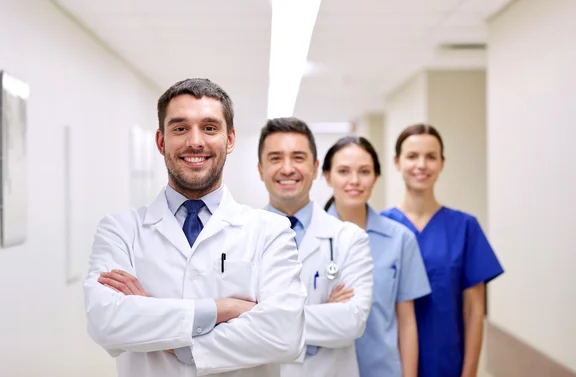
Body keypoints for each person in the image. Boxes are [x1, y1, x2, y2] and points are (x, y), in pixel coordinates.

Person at [83, 78, 307, 377]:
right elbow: (106, 322)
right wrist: (224, 308)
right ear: (161, 142)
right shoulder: (120, 230)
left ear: (230, 140)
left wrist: (172, 337)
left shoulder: (271, 231)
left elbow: (285, 334)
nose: (195, 141)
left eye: (210, 127)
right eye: (180, 128)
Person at [380, 123, 504, 377]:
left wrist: (469, 373)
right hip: (387, 363)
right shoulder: (379, 228)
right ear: (396, 162)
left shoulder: (465, 227)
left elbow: (474, 311)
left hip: (446, 362)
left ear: (442, 164)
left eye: (431, 157)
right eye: (412, 156)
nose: (421, 165)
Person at [256, 117, 374, 377]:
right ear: (260, 169)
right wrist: (324, 314)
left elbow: (352, 322)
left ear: (316, 167)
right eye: (275, 158)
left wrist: (255, 315)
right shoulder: (236, 238)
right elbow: (224, 326)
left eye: (298, 158)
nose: (287, 168)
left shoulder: (349, 238)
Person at [321, 136, 432, 377]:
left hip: (382, 369)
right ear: (328, 177)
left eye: (364, 171)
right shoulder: (303, 237)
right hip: (323, 369)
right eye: (343, 171)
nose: (354, 181)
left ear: (375, 178)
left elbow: (407, 321)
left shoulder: (400, 239)